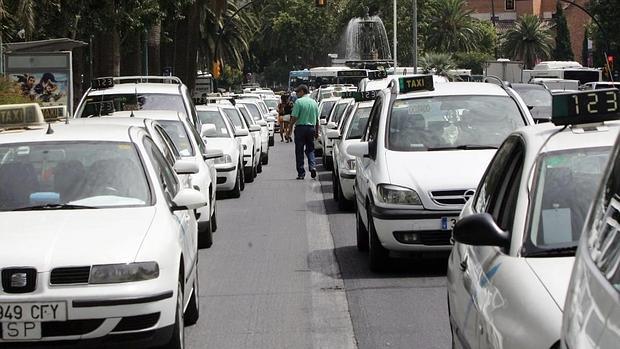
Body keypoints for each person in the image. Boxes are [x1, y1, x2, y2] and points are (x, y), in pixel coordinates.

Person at [288, 84, 319, 180]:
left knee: (299, 150)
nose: (297, 93)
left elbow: (294, 117)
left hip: (300, 128)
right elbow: (317, 119)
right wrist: (317, 131)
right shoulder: (314, 102)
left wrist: (289, 129)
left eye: (298, 92)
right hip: (311, 128)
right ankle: (312, 166)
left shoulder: (299, 102)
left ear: (302, 91)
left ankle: (301, 173)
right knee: (310, 149)